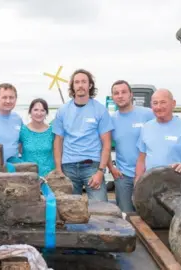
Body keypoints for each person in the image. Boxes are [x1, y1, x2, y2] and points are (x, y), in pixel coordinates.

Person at [52, 69, 112, 202]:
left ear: (90, 85)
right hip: (68, 168)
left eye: (84, 82)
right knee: (67, 211)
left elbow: (106, 143)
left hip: (92, 167)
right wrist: (58, 170)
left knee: (101, 209)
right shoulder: (62, 111)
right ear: (72, 86)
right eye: (77, 82)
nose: (80, 85)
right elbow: (58, 141)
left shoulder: (100, 110)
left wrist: (101, 171)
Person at [135, 89, 181, 183]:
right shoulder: (146, 127)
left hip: (176, 184)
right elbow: (141, 160)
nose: (159, 107)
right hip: (150, 184)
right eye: (155, 103)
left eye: (163, 102)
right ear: (151, 105)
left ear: (173, 103)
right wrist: (138, 180)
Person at [106, 80, 155, 212]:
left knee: (149, 215)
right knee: (126, 215)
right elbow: (104, 146)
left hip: (148, 174)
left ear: (131, 95)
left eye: (123, 92)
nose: (120, 96)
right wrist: (111, 167)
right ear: (113, 97)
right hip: (123, 176)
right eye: (116, 93)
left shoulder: (148, 114)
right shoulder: (111, 120)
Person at [19, 98, 55, 177]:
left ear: (46, 113)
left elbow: (57, 152)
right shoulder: (22, 131)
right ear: (30, 112)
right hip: (28, 175)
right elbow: (18, 150)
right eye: (35, 110)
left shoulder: (52, 131)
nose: (39, 113)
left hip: (49, 176)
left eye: (42, 110)